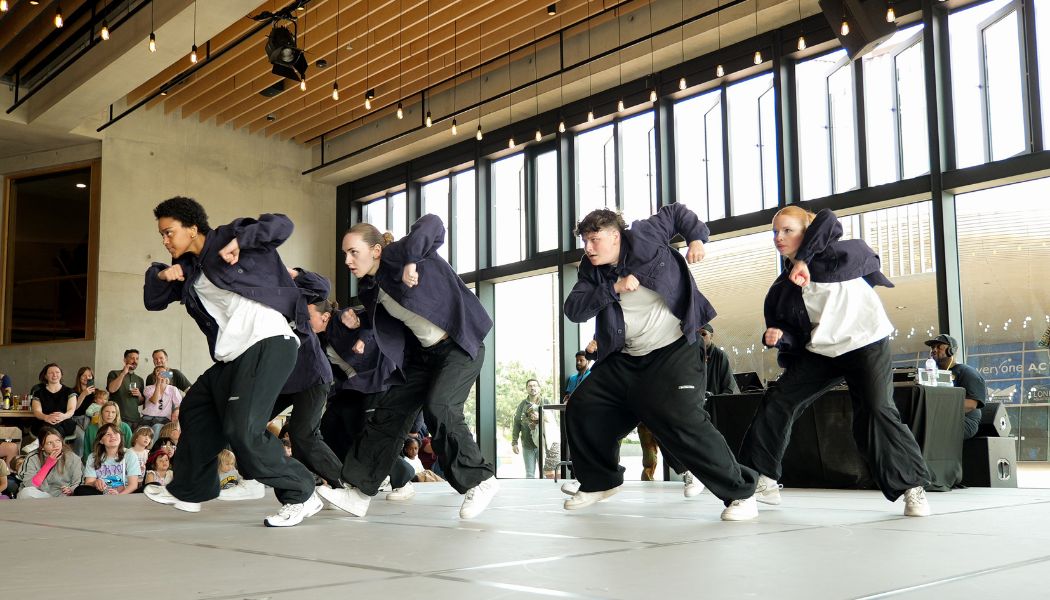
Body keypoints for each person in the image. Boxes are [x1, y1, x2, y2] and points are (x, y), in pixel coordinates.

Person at [562, 205, 759, 520]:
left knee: (679, 418)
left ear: (616, 235)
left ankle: (741, 493)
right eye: (584, 240)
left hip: (674, 349)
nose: (588, 248)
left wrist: (697, 238)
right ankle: (600, 481)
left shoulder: (645, 234)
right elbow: (574, 309)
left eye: (595, 239)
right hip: (625, 357)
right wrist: (612, 288)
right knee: (583, 405)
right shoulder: (591, 269)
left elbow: (677, 212)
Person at [739, 206, 931, 517]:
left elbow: (828, 218)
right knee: (779, 400)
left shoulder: (836, 253)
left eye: (787, 230)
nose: (778, 237)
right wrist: (777, 335)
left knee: (877, 410)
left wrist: (803, 260)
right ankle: (761, 478)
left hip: (866, 342)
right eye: (775, 232)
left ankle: (913, 487)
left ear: (807, 229)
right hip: (823, 352)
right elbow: (789, 331)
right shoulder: (782, 289)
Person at [142, 197, 321, 527]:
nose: (165, 241)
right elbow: (152, 301)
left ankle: (301, 493)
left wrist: (240, 241)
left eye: (169, 233)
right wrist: (162, 273)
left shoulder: (228, 236)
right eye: (162, 236)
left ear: (193, 228)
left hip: (268, 341)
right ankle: (190, 490)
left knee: (243, 431)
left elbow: (282, 224)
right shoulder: (189, 271)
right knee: (196, 407)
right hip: (233, 355)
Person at [318, 216, 499, 519]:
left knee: (439, 407)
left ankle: (480, 480)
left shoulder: (401, 253)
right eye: (345, 254)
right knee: (388, 414)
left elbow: (432, 224)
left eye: (353, 252)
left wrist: (412, 261)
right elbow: (392, 318)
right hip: (423, 357)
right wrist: (360, 321)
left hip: (458, 345)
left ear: (376, 250)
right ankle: (360, 492)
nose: (348, 260)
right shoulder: (370, 288)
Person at [268, 268, 343, 490]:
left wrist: (294, 273)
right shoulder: (273, 305)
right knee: (246, 422)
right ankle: (261, 473)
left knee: (303, 434)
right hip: (285, 383)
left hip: (313, 378)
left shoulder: (300, 299)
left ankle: (343, 483)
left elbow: (323, 286)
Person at [926, 334, 986, 439]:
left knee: (927, 428)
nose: (934, 350)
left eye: (939, 346)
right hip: (940, 417)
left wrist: (940, 410)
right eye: (932, 347)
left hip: (964, 421)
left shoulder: (967, 372)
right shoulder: (933, 375)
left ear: (951, 350)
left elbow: (971, 404)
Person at [75, 423, 141, 495]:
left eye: (115, 433)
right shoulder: (93, 457)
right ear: (101, 441)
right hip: (100, 494)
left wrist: (119, 495)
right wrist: (95, 483)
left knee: (147, 488)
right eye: (108, 434)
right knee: (80, 490)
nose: (112, 436)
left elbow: (133, 485)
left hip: (123, 494)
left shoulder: (130, 454)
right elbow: (88, 483)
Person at [17, 427, 83, 499]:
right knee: (25, 493)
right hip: (39, 495)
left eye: (58, 441)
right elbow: (30, 485)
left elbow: (78, 482)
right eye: (49, 443)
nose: (55, 445)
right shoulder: (32, 458)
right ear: (42, 447)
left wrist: (71, 489)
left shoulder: (73, 458)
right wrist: (48, 465)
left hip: (62, 496)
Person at [29, 363, 78, 443]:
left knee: (54, 425)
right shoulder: (38, 393)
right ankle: (58, 450)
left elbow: (71, 410)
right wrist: (46, 417)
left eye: (57, 372)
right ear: (45, 376)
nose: (54, 375)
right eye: (51, 373)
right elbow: (37, 411)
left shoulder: (69, 391)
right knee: (50, 426)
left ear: (61, 375)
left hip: (64, 421)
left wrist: (62, 416)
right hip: (43, 422)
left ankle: (37, 444)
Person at [511, 379, 545, 478]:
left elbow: (552, 421)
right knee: (529, 475)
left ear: (539, 388)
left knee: (545, 475)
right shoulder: (522, 405)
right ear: (526, 388)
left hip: (542, 445)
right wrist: (514, 442)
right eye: (530, 386)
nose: (532, 388)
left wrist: (540, 417)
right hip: (527, 445)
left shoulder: (545, 402)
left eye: (535, 385)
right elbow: (517, 424)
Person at [141, 365, 183, 437]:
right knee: (142, 432)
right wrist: (158, 384)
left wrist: (176, 411)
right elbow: (154, 400)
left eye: (163, 373)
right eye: (158, 372)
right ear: (154, 376)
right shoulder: (148, 388)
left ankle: (154, 448)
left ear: (167, 375)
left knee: (157, 428)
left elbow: (179, 404)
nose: (161, 374)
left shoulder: (172, 389)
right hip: (147, 418)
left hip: (164, 419)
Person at [107, 349, 145, 428]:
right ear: (125, 360)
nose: (135, 361)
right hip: (118, 418)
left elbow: (141, 402)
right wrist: (123, 373)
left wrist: (139, 395)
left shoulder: (140, 379)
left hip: (135, 419)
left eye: (137, 358)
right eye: (132, 358)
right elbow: (111, 389)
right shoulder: (114, 373)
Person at [700, 323, 739, 396]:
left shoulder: (720, 355)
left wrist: (717, 401)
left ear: (711, 336)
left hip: (714, 403)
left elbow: (729, 386)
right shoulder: (693, 355)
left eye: (703, 334)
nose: (700, 337)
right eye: (697, 335)